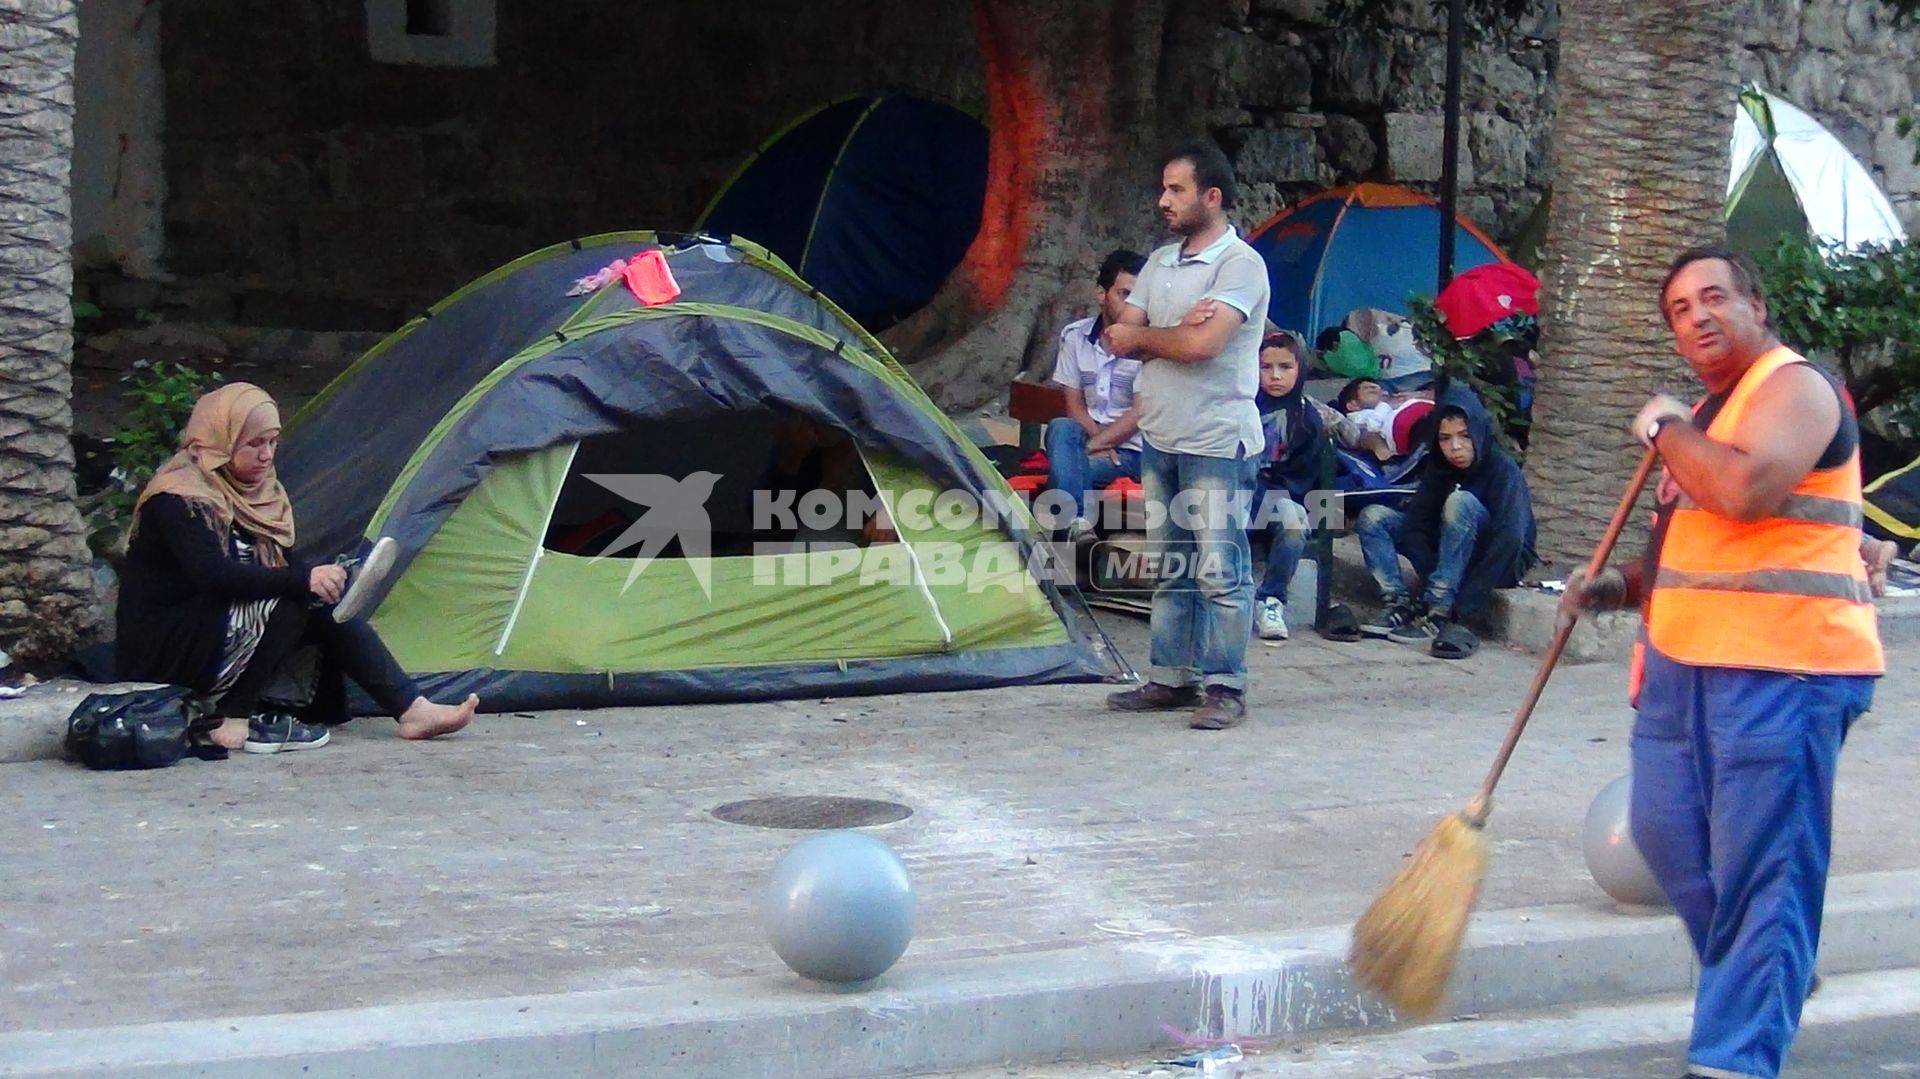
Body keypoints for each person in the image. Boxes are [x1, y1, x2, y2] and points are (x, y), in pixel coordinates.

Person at [1559, 246, 1883, 1079]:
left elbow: (1744, 495)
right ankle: (1771, 969)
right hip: (1686, 663)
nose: (1697, 315)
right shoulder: (1709, 415)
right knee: (1666, 833)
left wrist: (1668, 428)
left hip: (1786, 666)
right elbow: (1687, 545)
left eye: (1713, 298)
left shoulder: (1796, 388)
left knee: (1762, 868)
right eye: (1678, 308)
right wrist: (1617, 586)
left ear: (1756, 306)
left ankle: (1733, 1057)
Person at [115, 383, 478, 754]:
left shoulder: (254, 495)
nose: (266, 456)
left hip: (214, 629)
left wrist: (322, 578)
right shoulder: (180, 498)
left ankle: (412, 709)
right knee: (293, 599)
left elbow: (282, 563)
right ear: (218, 442)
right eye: (254, 444)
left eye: (272, 443)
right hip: (163, 644)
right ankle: (234, 714)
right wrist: (302, 581)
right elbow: (214, 576)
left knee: (318, 602)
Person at [1099, 141, 1270, 730]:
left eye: (1177, 190)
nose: (1163, 200)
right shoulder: (1160, 262)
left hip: (1216, 439)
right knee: (1172, 566)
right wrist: (1173, 330)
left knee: (1219, 570)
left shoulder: (1240, 265)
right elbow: (1119, 333)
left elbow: (1203, 347)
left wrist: (1160, 335)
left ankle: (1225, 685)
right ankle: (1171, 678)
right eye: (1164, 188)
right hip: (1162, 433)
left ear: (1212, 197)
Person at [1354, 383, 1534, 658]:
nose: (1455, 447)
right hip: (1448, 555)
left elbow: (1511, 538)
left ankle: (1439, 612)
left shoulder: (1502, 469)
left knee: (1460, 501)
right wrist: (1432, 574)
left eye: (1464, 436)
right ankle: (1398, 605)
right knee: (1374, 517)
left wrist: (1464, 603)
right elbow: (1416, 525)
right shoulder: (1439, 468)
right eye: (1445, 439)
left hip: (1495, 560)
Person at [1044, 249, 1147, 543]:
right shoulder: (1075, 336)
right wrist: (1094, 441)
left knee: (1071, 471)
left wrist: (1097, 445)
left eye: (1139, 297)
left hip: (1133, 452)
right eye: (1125, 294)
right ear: (1102, 294)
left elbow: (1140, 413)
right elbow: (1073, 404)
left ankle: (1068, 537)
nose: (1133, 305)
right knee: (1060, 427)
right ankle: (1078, 530)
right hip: (1088, 438)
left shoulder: (1148, 343)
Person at [1250, 331, 1333, 641]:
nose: (1275, 376)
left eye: (1285, 367)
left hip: (1276, 499)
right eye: (1265, 367)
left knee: (1294, 521)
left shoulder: (1306, 419)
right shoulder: (1241, 406)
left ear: (1300, 369)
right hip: (1233, 492)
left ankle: (1270, 600)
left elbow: (1301, 479)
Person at [1333, 378, 1435, 461]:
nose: (1380, 392)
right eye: (1370, 391)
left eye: (1381, 390)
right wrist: (1386, 404)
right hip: (1417, 430)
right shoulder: (1358, 418)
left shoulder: (1388, 407)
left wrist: (1415, 397)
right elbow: (1371, 427)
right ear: (1353, 405)